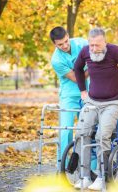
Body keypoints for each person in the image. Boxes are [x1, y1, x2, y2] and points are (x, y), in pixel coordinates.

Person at [73, 27, 118, 190]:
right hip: (92, 102)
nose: (93, 49)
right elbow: (77, 68)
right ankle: (84, 176)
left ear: (105, 42)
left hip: (113, 103)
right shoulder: (85, 52)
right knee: (81, 133)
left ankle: (102, 176)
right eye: (91, 45)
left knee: (102, 135)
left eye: (97, 45)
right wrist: (82, 90)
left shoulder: (115, 52)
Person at [50, 26, 89, 158]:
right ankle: (62, 167)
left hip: (89, 93)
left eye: (66, 41)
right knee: (65, 131)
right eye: (60, 44)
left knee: (90, 131)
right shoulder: (56, 60)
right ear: (54, 44)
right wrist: (94, 68)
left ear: (68, 36)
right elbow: (77, 78)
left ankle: (91, 168)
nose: (65, 45)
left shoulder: (83, 44)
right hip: (69, 96)